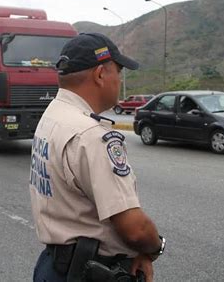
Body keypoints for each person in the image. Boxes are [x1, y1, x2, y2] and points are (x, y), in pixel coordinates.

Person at [29, 33, 165, 282]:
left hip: (52, 267)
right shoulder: (90, 135)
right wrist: (155, 248)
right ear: (101, 74)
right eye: (119, 71)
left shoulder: (53, 116)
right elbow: (135, 229)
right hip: (88, 273)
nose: (119, 80)